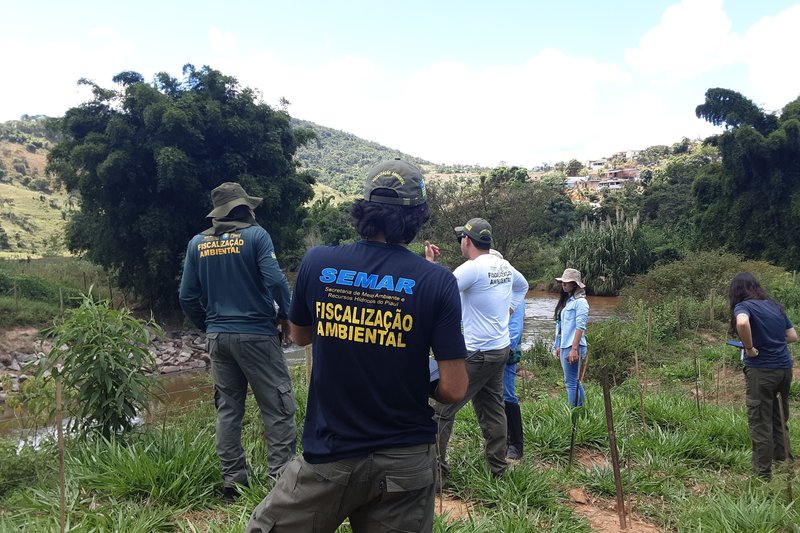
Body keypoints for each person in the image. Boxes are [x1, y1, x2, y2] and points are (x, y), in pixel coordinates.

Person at [246, 159, 468, 533]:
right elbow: (453, 389)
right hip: (405, 463)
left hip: (330, 456)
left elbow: (300, 336)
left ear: (363, 208)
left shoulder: (318, 263)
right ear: (417, 216)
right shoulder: (437, 281)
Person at [179, 182, 297, 502]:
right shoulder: (257, 236)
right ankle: (280, 481)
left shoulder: (196, 244)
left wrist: (208, 326)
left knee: (228, 410)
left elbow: (186, 295)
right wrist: (286, 317)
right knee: (277, 405)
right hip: (257, 334)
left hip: (219, 337)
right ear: (245, 209)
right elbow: (275, 280)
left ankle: (232, 482)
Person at [431, 218, 528, 483]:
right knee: (492, 406)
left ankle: (438, 474)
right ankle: (498, 469)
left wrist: (430, 265)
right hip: (499, 349)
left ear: (467, 241)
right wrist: (508, 310)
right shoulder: (503, 266)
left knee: (440, 411)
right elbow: (523, 286)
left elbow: (435, 292)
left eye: (461, 238)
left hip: (477, 353)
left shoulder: (471, 269)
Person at [728, 272, 797, 480]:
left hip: (762, 370)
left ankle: (762, 475)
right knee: (779, 417)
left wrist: (749, 347)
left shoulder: (744, 307)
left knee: (760, 421)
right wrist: (772, 340)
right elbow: (792, 336)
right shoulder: (773, 305)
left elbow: (741, 324)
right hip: (784, 369)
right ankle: (784, 464)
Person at [489, 249, 526, 461]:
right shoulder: (497, 291)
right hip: (494, 349)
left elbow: (515, 326)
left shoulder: (513, 292)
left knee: (507, 394)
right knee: (494, 396)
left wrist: (507, 348)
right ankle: (500, 442)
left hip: (506, 351)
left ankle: (516, 445)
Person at [553, 268, 589, 407]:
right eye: (563, 282)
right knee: (573, 381)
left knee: (571, 383)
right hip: (564, 345)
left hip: (573, 346)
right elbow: (561, 326)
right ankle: (581, 409)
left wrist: (574, 349)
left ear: (575, 284)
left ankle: (572, 413)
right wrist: (557, 345)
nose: (564, 284)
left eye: (567, 282)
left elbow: (580, 327)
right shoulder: (568, 301)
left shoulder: (581, 302)